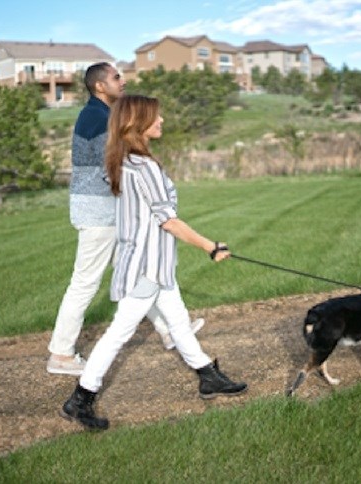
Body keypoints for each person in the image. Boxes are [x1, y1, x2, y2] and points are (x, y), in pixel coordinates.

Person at [60, 95, 247, 430]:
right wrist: (210, 246)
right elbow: (169, 221)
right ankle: (80, 399)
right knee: (119, 333)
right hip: (147, 267)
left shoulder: (122, 160)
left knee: (177, 320)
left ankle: (207, 375)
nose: (161, 121)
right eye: (155, 117)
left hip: (155, 263)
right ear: (137, 123)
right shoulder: (143, 167)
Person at [47, 63, 203, 376]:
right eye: (117, 77)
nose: (123, 80)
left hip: (108, 211)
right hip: (99, 213)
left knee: (141, 270)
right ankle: (61, 354)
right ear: (100, 87)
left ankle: (170, 329)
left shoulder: (101, 116)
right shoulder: (98, 118)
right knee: (85, 282)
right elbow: (115, 165)